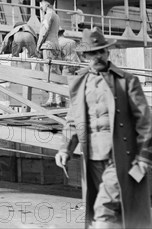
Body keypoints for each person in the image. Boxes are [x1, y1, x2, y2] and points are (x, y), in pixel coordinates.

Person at [55, 28, 151, 229]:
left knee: (103, 211)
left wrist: (143, 159)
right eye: (92, 53)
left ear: (108, 53)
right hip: (91, 160)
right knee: (113, 214)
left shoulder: (127, 81)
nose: (98, 56)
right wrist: (65, 148)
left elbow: (145, 124)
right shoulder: (78, 84)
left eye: (101, 51)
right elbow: (73, 122)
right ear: (84, 56)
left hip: (121, 159)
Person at [36, 0, 62, 106]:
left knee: (49, 74)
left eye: (41, 4)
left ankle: (51, 99)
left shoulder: (48, 16)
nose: (41, 7)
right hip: (56, 45)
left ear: (46, 3)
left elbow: (44, 32)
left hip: (48, 46)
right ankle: (59, 99)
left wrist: (38, 45)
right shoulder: (56, 16)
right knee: (56, 72)